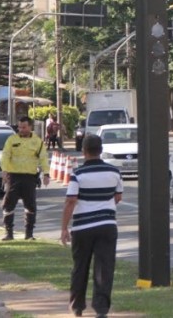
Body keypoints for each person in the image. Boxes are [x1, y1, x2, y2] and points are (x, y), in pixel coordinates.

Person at [61, 134, 123, 318]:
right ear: (101, 150)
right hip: (107, 225)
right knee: (104, 267)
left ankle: (77, 307)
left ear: (84, 151)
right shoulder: (114, 171)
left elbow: (71, 201)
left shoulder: (78, 174)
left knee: (80, 266)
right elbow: (118, 196)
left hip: (82, 227)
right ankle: (101, 309)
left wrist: (64, 228)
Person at [0, 116, 50, 241]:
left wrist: (46, 174)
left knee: (30, 205)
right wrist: (5, 171)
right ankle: (8, 233)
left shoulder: (37, 141)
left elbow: (43, 158)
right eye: (19, 127)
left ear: (30, 127)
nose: (21, 129)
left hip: (29, 177)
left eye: (24, 127)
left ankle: (29, 234)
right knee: (8, 204)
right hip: (14, 177)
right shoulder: (11, 140)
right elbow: (5, 156)